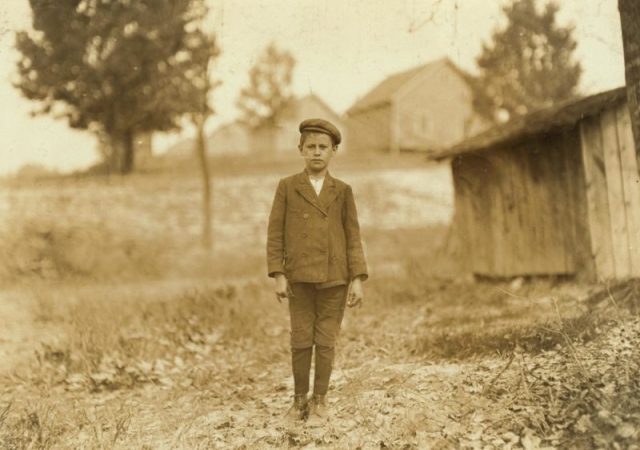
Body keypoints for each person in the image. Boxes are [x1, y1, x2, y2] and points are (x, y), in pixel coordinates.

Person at [266, 118, 368, 426]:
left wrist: (357, 279)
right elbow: (275, 235)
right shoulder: (287, 187)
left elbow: (353, 237)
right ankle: (299, 402)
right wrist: (279, 274)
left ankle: (320, 401)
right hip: (298, 279)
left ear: (334, 151)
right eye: (310, 147)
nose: (317, 153)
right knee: (300, 339)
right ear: (300, 150)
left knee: (326, 340)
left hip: (334, 278)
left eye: (323, 147)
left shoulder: (343, 191)